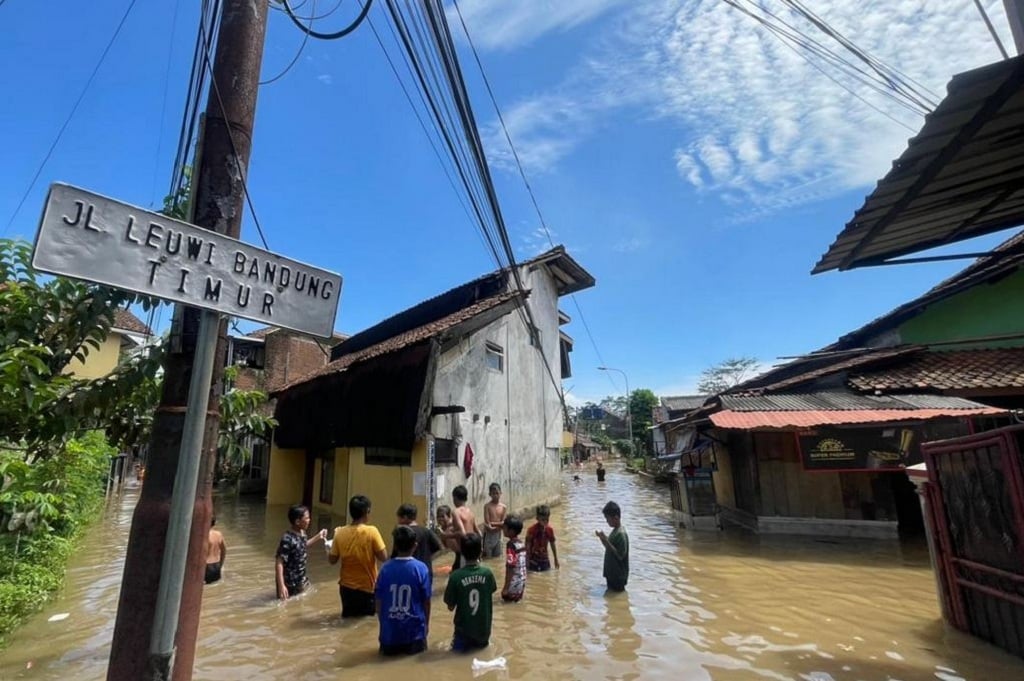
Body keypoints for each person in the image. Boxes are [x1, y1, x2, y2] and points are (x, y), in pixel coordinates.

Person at [375, 525, 432, 656]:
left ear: (394, 546)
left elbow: (378, 602)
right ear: (415, 545)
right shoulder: (421, 569)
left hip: (389, 634)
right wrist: (426, 626)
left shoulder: (385, 569)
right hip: (415, 633)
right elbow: (426, 601)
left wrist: (384, 624)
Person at [329, 495, 388, 617]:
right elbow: (384, 557)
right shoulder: (372, 531)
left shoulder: (339, 532)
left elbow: (332, 560)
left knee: (348, 619)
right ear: (367, 512)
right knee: (366, 624)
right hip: (367, 588)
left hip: (346, 588)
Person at [443, 533, 496, 652]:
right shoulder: (487, 574)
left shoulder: (456, 576)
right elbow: (491, 591)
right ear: (481, 551)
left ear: (461, 552)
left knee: (456, 660)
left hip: (463, 632)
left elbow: (450, 606)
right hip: (483, 631)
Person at [275, 504, 327, 600]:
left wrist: (318, 536)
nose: (309, 520)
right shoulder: (287, 539)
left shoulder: (302, 533)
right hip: (290, 582)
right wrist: (281, 585)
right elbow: (279, 562)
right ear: (298, 521)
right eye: (306, 518)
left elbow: (302, 546)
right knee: (284, 606)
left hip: (301, 579)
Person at [392, 503, 442, 567]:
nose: (398, 520)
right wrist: (427, 558)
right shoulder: (426, 531)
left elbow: (395, 554)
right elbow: (438, 546)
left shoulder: (402, 533)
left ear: (405, 517)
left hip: (408, 570)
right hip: (425, 571)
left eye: (398, 517)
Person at [596, 501, 629, 592]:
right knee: (611, 598)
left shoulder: (621, 534)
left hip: (618, 576)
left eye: (607, 518)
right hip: (612, 574)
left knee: (617, 596)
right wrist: (602, 538)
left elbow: (620, 555)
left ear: (616, 518)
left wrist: (606, 540)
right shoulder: (615, 531)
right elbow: (609, 548)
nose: (607, 521)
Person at [444, 485, 479, 570]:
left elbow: (462, 533)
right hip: (473, 550)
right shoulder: (470, 512)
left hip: (464, 550)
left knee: (460, 575)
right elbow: (478, 532)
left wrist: (446, 536)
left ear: (455, 498)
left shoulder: (456, 512)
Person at [525, 505, 560, 571]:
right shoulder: (531, 530)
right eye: (543, 520)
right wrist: (526, 561)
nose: (545, 522)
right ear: (537, 518)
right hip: (533, 560)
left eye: (547, 519)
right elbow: (527, 545)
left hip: (545, 559)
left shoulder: (549, 530)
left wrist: (556, 559)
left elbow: (552, 544)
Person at [500, 515, 527, 603]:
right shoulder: (521, 544)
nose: (503, 529)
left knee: (507, 604)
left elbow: (510, 566)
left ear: (511, 531)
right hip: (522, 582)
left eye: (504, 527)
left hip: (514, 583)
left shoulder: (511, 545)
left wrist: (506, 588)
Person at [482, 483, 508, 559]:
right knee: (487, 558)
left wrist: (492, 525)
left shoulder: (503, 507)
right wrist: (497, 525)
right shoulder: (487, 506)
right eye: (493, 493)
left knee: (498, 557)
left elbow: (504, 522)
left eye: (497, 493)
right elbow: (487, 522)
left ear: (500, 493)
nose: (495, 495)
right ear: (490, 494)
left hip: (499, 535)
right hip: (489, 535)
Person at [205, 515, 226, 585]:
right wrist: (221, 564)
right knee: (215, 586)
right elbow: (224, 550)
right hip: (216, 566)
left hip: (206, 566)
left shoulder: (203, 536)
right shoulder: (219, 534)